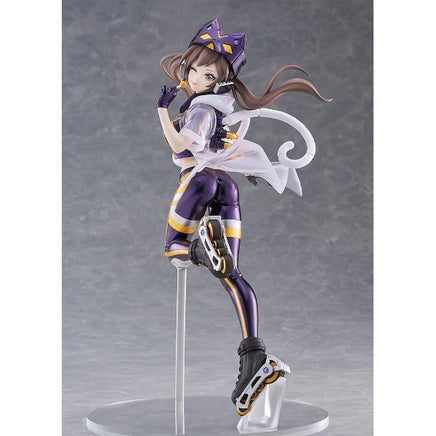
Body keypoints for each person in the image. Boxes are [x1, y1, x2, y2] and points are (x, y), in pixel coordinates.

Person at [156, 18, 328, 415]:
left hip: (200, 180)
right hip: (226, 188)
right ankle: (254, 355)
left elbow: (182, 142)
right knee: (232, 273)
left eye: (207, 74)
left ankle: (199, 249)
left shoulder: (201, 109)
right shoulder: (221, 107)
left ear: (219, 81)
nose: (196, 77)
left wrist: (162, 109)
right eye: (195, 69)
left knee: (174, 247)